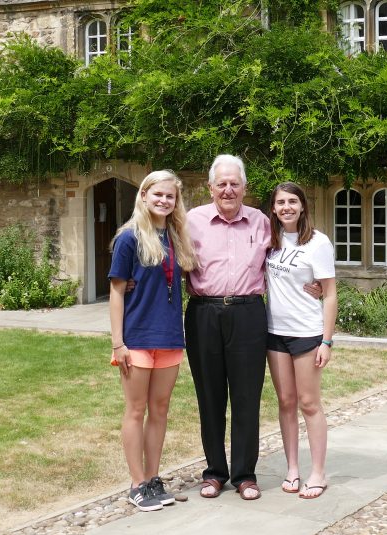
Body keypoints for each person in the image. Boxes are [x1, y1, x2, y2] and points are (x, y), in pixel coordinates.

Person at [183, 154, 271, 501]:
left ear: (245, 188)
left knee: (247, 397)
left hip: (249, 314)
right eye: (222, 183)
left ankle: (245, 475)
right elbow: (167, 260)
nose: (229, 189)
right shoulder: (192, 221)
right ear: (210, 188)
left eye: (235, 183)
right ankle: (215, 472)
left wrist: (315, 284)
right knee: (210, 396)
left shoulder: (261, 222)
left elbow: (285, 260)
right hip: (204, 313)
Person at [109, 170, 197, 512]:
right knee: (136, 409)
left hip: (170, 337)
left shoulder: (177, 237)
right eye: (157, 194)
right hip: (137, 338)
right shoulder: (128, 239)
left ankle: (153, 479)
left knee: (160, 410)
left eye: (170, 196)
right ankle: (136, 484)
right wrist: (118, 343)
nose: (163, 200)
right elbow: (116, 292)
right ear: (143, 196)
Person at [265, 181, 337, 500]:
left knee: (309, 403)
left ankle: (318, 473)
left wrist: (327, 341)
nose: (287, 208)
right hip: (274, 333)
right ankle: (292, 468)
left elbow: (331, 294)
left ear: (303, 206)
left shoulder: (318, 243)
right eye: (281, 203)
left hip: (307, 333)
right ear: (274, 208)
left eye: (292, 202)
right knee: (286, 402)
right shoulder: (269, 240)